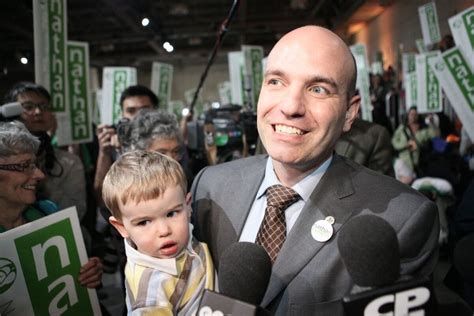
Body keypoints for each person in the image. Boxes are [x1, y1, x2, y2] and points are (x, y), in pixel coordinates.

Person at [191, 25, 439, 315]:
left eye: (318, 89)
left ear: (350, 113)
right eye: (276, 82)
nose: (291, 106)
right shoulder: (211, 185)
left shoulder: (402, 219)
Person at [102, 150, 214, 315]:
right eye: (144, 222)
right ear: (121, 227)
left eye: (171, 214)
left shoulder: (181, 235)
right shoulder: (150, 297)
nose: (164, 231)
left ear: (188, 205)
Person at [0, 121, 102, 288]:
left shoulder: (48, 212)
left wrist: (88, 272)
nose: (40, 175)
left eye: (36, 165)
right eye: (25, 166)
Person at [4, 82, 88, 222]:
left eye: (44, 107)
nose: (38, 112)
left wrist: (43, 182)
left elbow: (76, 213)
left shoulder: (68, 162)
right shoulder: (3, 160)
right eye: (28, 107)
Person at [94, 85, 158, 206]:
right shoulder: (112, 140)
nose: (138, 116)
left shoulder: (168, 139)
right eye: (131, 111)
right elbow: (101, 196)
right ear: (122, 114)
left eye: (145, 110)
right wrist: (104, 152)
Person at [119, 108, 194, 186]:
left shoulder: (184, 182)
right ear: (140, 154)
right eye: (161, 153)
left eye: (175, 151)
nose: (171, 159)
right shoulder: (125, 186)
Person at [392, 106, 439, 179]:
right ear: (408, 115)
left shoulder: (424, 129)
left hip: (420, 164)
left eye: (415, 114)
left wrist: (432, 123)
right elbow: (394, 142)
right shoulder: (402, 128)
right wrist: (405, 145)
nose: (413, 116)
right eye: (411, 114)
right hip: (404, 162)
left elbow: (436, 134)